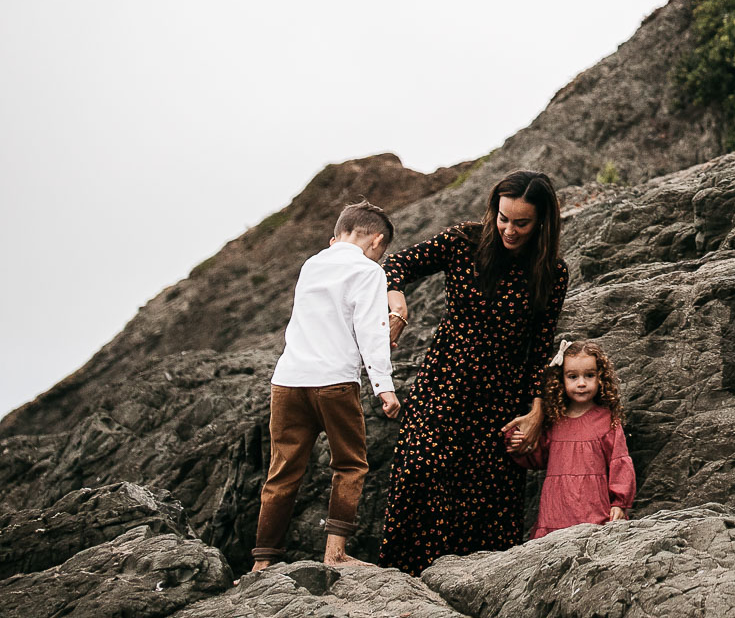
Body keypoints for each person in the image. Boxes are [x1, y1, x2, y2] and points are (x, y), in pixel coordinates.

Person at [379, 171, 568, 574]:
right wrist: (397, 302)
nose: (509, 230)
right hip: (442, 383)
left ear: (542, 222)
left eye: (522, 223)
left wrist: (537, 412)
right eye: (503, 218)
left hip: (500, 401)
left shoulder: (552, 271)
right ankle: (403, 587)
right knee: (419, 475)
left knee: (483, 506)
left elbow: (540, 348)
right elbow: (396, 263)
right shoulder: (462, 242)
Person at [251, 201, 402, 571]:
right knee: (350, 464)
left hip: (288, 381)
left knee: (282, 471)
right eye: (382, 251)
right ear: (376, 240)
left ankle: (262, 561)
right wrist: (384, 386)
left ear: (338, 235)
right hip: (334, 382)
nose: (380, 257)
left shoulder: (312, 264)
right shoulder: (369, 271)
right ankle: (334, 553)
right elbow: (371, 331)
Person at [509, 337, 636, 538]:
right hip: (555, 513)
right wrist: (519, 444)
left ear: (601, 377)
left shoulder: (607, 420)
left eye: (589, 375)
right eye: (573, 377)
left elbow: (619, 462)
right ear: (561, 380)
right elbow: (538, 458)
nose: (582, 383)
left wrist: (620, 503)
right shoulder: (554, 420)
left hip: (594, 512)